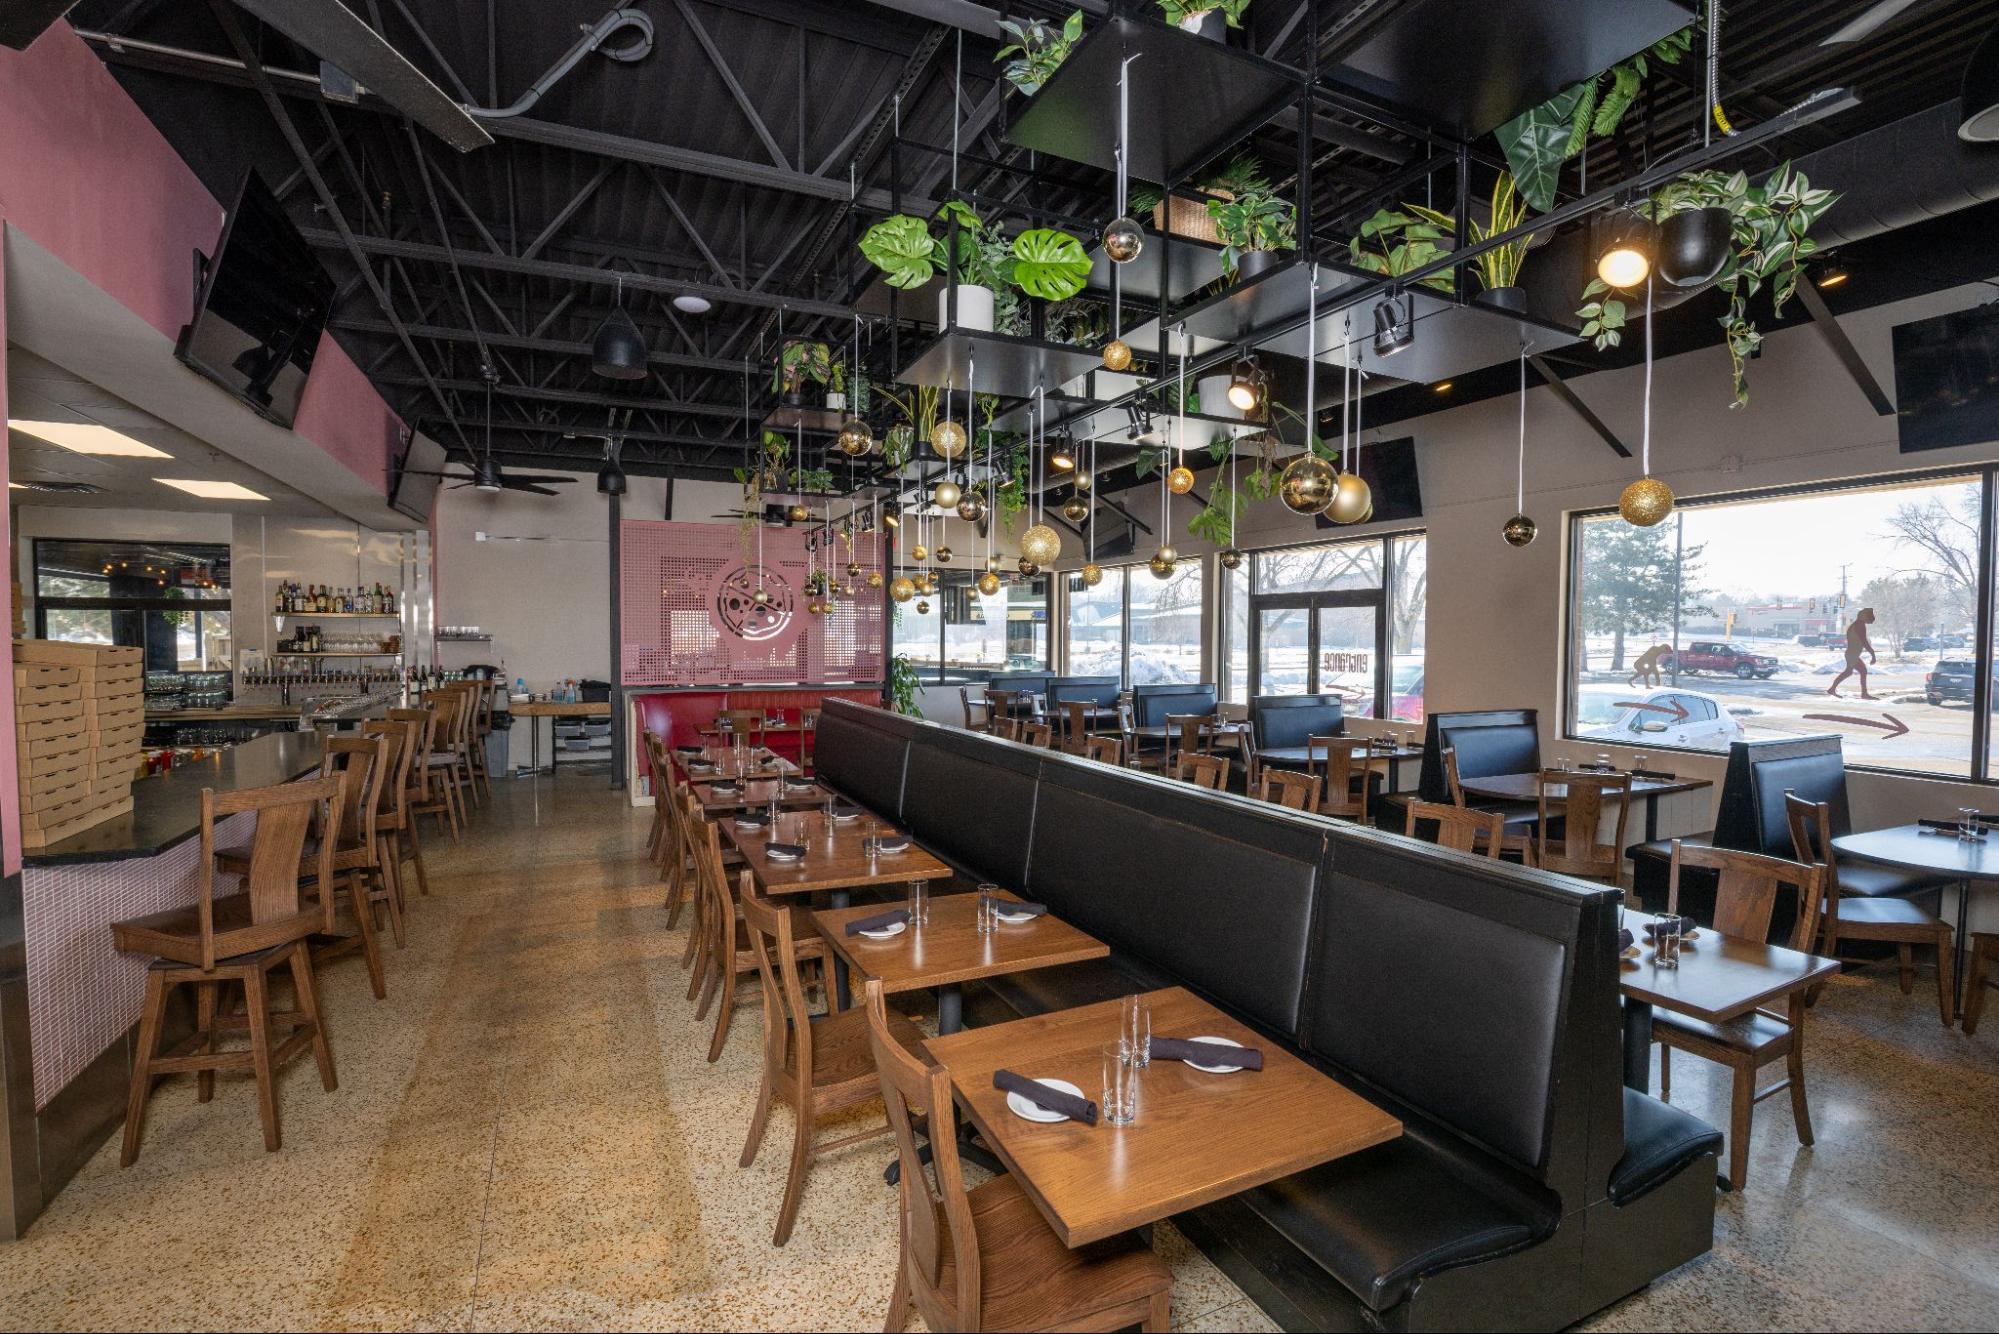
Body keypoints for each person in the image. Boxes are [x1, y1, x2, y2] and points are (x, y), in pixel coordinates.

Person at [1826, 608, 1878, 700]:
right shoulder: (1859, 625)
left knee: (1849, 672)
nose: (1871, 619)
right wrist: (1872, 654)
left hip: (1851, 654)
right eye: (1870, 616)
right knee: (1862, 671)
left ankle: (1832, 689)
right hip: (1852, 654)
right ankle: (1864, 694)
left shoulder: (1857, 624)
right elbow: (1864, 641)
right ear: (1864, 616)